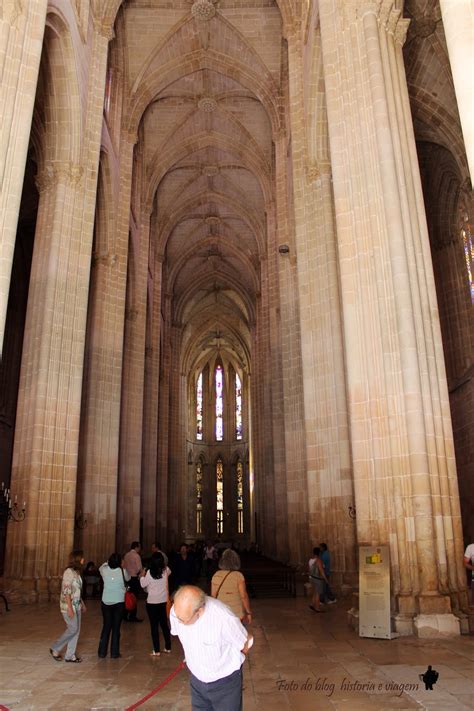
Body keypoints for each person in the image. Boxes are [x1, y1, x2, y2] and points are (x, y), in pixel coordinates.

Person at [170, 585, 253, 711]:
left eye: (184, 621)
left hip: (225, 683)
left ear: (199, 611)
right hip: (197, 681)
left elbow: (245, 643)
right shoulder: (177, 612)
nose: (179, 622)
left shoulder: (223, 617)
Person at [50, 550, 86, 663]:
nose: (84, 560)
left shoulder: (77, 572)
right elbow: (67, 591)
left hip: (77, 605)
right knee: (73, 628)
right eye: (82, 558)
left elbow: (77, 590)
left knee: (77, 630)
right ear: (78, 559)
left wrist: (82, 603)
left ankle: (70, 655)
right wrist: (70, 608)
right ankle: (55, 648)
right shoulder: (68, 572)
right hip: (68, 606)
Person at [97, 553, 130, 658]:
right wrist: (123, 567)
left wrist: (107, 562)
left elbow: (100, 567)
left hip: (106, 601)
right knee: (116, 628)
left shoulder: (105, 570)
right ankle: (114, 653)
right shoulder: (123, 572)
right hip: (118, 602)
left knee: (106, 626)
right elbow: (128, 579)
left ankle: (102, 652)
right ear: (120, 562)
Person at [140, 552, 172, 656]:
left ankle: (156, 650)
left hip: (152, 602)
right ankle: (168, 647)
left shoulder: (149, 572)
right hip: (163, 601)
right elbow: (169, 571)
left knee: (154, 626)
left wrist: (141, 576)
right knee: (164, 624)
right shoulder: (165, 570)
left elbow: (142, 584)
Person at [211, 548, 252, 623]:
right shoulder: (238, 575)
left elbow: (213, 596)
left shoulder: (216, 575)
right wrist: (248, 612)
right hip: (237, 613)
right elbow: (244, 596)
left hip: (222, 612)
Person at [123, 541, 143, 622]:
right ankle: (132, 616)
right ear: (136, 547)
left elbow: (124, 566)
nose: (140, 549)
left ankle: (125, 614)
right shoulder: (136, 556)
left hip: (127, 578)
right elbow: (139, 568)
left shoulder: (126, 555)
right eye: (139, 547)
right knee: (134, 598)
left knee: (127, 597)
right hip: (134, 578)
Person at [308, 546, 328, 613]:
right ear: (319, 553)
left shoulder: (310, 560)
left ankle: (312, 604)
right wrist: (326, 579)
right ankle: (317, 608)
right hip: (318, 579)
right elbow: (321, 571)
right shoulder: (318, 560)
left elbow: (310, 569)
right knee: (318, 593)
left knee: (315, 592)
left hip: (312, 578)